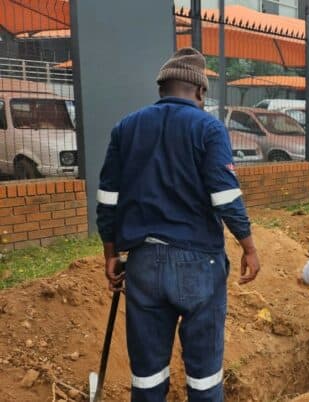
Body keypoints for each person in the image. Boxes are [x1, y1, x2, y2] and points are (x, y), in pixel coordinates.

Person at [96, 48, 261, 402]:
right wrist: (248, 246)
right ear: (201, 92)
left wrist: (110, 253)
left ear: (162, 88)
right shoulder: (209, 128)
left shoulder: (126, 128)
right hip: (199, 264)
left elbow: (108, 197)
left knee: (147, 375)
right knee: (203, 378)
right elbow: (225, 197)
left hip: (142, 264)